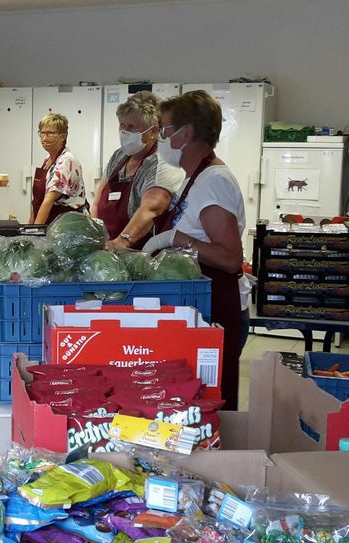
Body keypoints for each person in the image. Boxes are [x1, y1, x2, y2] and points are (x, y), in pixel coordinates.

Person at [142, 90, 247, 411]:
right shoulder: (194, 178)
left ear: (185, 133)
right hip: (201, 308)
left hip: (219, 311)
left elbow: (230, 259)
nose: (161, 138)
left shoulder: (213, 181)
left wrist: (174, 239)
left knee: (212, 406)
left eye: (165, 130)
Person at [90, 91, 184, 250]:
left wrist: (121, 242)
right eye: (122, 125)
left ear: (153, 132)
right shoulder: (119, 156)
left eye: (131, 127)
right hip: (107, 249)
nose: (124, 132)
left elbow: (151, 209)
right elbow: (96, 203)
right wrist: (94, 237)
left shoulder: (163, 162)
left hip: (141, 254)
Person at [28, 112, 87, 225]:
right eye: (42, 133)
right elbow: (37, 202)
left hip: (65, 227)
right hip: (49, 224)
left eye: (50, 133)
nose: (45, 138)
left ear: (63, 136)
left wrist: (34, 233)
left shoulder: (66, 161)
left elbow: (47, 202)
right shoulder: (47, 160)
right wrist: (28, 228)